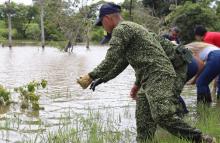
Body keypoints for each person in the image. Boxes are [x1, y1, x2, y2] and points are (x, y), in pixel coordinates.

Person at [77, 3, 216, 143]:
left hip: (159, 73)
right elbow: (120, 64)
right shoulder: (130, 29)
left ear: (107, 19)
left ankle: (201, 139)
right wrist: (102, 79)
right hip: (149, 77)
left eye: (102, 24)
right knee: (143, 119)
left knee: (162, 114)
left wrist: (90, 75)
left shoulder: (121, 29)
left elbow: (111, 58)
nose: (104, 27)